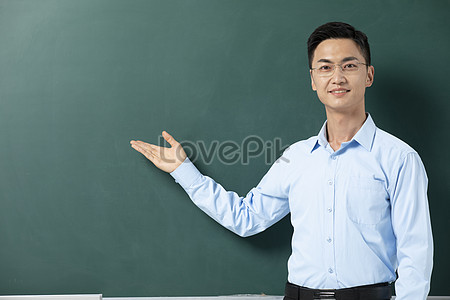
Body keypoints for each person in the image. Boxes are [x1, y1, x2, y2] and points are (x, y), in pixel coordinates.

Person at [130, 22, 433, 300]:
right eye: (325, 67)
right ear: (313, 79)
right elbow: (246, 218)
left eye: (349, 65)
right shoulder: (296, 158)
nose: (337, 77)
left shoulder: (399, 158)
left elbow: (415, 253)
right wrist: (184, 171)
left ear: (368, 75)